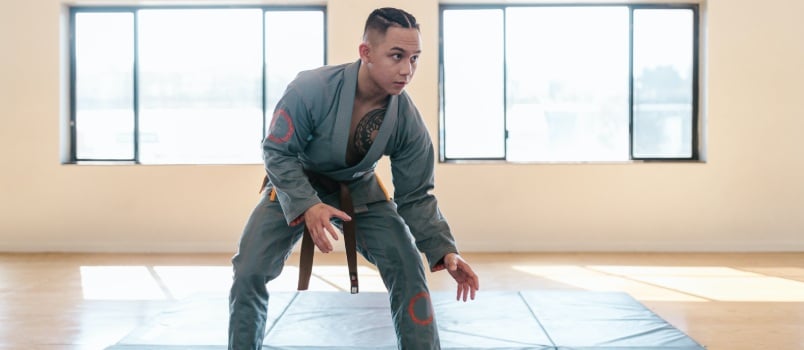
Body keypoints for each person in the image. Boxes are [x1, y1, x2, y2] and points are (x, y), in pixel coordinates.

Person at [228, 7, 480, 350]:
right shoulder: (310, 89)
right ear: (366, 52)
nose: (407, 70)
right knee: (248, 271)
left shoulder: (407, 120)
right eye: (397, 56)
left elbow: (416, 195)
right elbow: (277, 150)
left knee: (408, 269)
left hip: (359, 189)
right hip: (294, 184)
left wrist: (445, 249)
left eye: (415, 58)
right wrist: (308, 204)